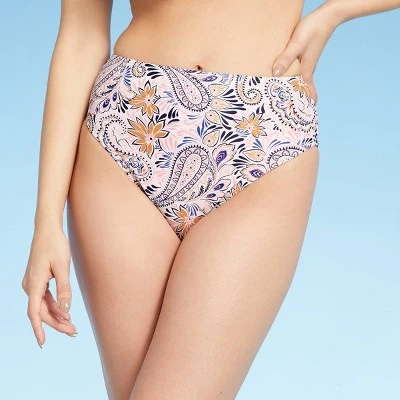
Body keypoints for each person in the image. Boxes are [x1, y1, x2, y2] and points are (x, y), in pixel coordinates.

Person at [21, 0, 400, 398]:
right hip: (127, 127)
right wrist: (46, 221)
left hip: (264, 136)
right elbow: (81, 34)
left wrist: (334, 12)